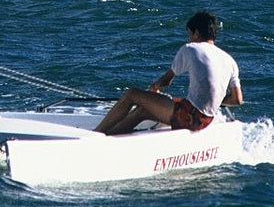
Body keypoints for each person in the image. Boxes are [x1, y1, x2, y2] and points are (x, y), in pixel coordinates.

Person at [95, 10, 243, 135]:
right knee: (143, 111)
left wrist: (155, 88)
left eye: (189, 34)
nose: (189, 38)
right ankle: (110, 136)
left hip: (189, 117)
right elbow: (237, 100)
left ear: (196, 33)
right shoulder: (229, 61)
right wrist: (216, 100)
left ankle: (96, 134)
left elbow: (165, 81)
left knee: (132, 94)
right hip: (205, 121)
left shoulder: (190, 48)